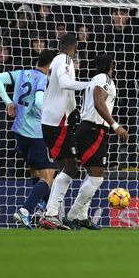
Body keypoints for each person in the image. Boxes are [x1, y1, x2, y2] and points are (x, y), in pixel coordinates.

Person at [0, 50, 57, 229]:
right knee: (49, 176)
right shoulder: (43, 79)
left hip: (20, 132)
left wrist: (9, 103)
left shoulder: (21, 74)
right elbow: (37, 101)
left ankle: (45, 211)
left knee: (36, 172)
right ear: (50, 65)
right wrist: (50, 115)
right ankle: (25, 211)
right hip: (37, 133)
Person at [64, 54, 127, 230]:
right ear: (109, 65)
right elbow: (99, 103)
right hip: (94, 129)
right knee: (97, 178)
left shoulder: (95, 79)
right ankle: (71, 216)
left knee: (91, 175)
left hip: (91, 129)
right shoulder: (103, 79)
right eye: (113, 64)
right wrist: (116, 126)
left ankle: (83, 217)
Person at [38, 34, 90, 230]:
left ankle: (52, 214)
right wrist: (89, 84)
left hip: (55, 121)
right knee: (71, 167)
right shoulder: (65, 60)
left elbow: (63, 90)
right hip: (56, 123)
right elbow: (65, 83)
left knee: (66, 168)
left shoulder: (59, 61)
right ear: (74, 48)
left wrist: (73, 109)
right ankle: (51, 213)